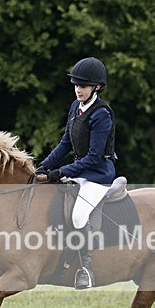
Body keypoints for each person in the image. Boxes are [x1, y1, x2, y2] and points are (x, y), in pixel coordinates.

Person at [36, 57, 117, 290]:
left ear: (97, 87)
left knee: (79, 216)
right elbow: (65, 144)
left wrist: (60, 172)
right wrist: (44, 167)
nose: (78, 89)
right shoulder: (76, 107)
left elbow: (93, 157)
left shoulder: (102, 114)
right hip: (80, 172)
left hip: (98, 175)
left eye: (83, 86)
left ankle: (87, 270)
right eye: (76, 85)